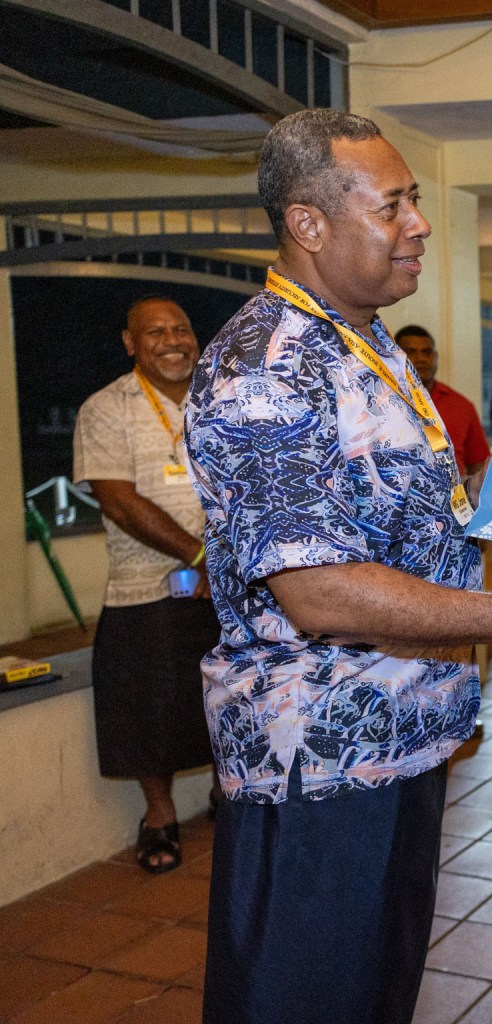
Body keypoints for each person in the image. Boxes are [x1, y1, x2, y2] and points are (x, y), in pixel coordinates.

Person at [185, 108, 492, 1024]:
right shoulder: (268, 366)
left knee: (374, 996)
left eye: (416, 202)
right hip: (318, 765)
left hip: (400, 743)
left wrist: (489, 499)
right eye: (392, 206)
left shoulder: (368, 345)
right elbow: (317, 590)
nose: (420, 224)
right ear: (308, 226)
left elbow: (384, 529)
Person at [73, 296, 220, 875]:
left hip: (229, 584)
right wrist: (199, 553)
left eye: (181, 328)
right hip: (147, 589)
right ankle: (159, 816)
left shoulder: (222, 400)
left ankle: (223, 793)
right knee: (146, 705)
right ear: (131, 344)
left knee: (229, 695)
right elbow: (119, 500)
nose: (173, 340)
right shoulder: (106, 408)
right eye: (154, 332)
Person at [393, 324, 490, 476]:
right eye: (411, 352)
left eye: (427, 352)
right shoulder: (378, 402)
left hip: (453, 497)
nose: (421, 359)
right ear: (394, 355)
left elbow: (478, 468)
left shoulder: (461, 406)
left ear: (435, 357)